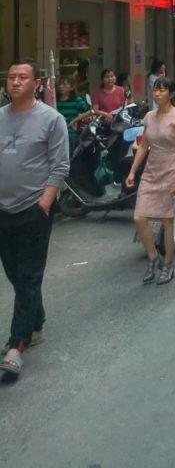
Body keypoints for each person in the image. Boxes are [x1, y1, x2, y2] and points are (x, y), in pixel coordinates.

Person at [0, 59, 70, 378]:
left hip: (34, 208)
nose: (15, 82)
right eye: (11, 77)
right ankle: (37, 321)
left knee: (28, 275)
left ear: (36, 83)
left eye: (22, 77)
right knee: (15, 273)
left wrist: (44, 203)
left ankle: (16, 345)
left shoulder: (51, 119)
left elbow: (60, 165)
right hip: (3, 209)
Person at [125, 78, 175, 285]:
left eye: (162, 90)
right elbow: (144, 146)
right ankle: (154, 258)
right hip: (152, 171)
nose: (157, 94)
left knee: (167, 220)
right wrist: (133, 171)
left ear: (171, 94)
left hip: (171, 169)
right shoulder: (149, 117)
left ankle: (169, 263)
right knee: (139, 217)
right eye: (155, 90)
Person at [55, 77, 92, 145]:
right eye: (59, 84)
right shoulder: (55, 101)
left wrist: (75, 120)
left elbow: (90, 112)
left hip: (71, 133)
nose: (61, 87)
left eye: (64, 84)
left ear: (71, 87)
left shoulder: (77, 100)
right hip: (57, 133)